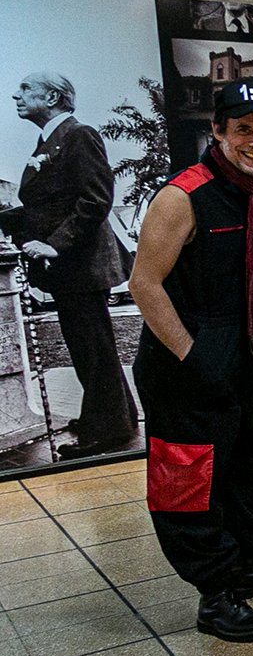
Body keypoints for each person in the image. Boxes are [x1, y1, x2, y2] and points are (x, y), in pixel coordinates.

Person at [127, 79, 253, 641]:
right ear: (217, 131)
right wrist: (193, 359)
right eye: (244, 131)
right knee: (192, 480)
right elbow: (144, 284)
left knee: (247, 467)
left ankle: (247, 564)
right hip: (184, 358)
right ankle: (214, 594)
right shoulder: (182, 196)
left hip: (238, 352)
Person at [4, 71, 139, 459]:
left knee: (91, 349)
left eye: (26, 89)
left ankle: (108, 430)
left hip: (81, 265)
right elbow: (47, 205)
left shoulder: (78, 135)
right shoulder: (50, 139)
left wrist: (53, 245)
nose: (16, 95)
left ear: (51, 97)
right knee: (92, 348)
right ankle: (117, 416)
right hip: (73, 268)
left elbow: (96, 199)